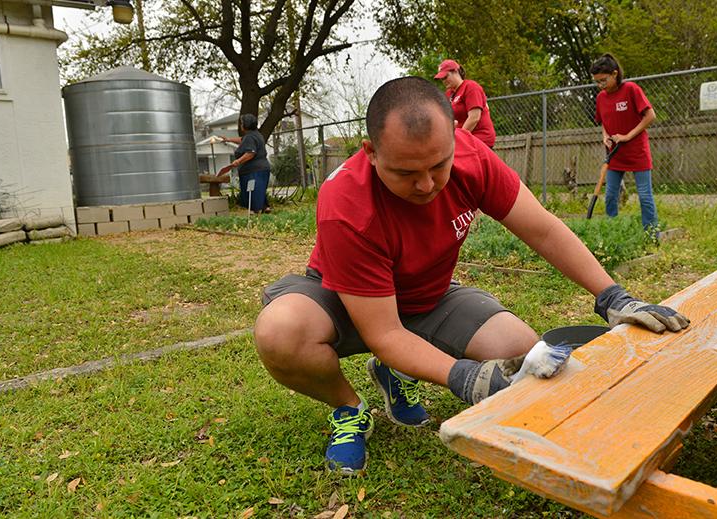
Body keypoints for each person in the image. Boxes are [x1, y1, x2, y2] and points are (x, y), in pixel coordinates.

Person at [254, 77, 689, 475]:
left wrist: (612, 296)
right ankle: (349, 408)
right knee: (282, 331)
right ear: (370, 153)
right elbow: (384, 332)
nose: (426, 185)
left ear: (455, 139)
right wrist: (463, 376)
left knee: (523, 354)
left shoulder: (471, 155)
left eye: (437, 166)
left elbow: (543, 228)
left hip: (430, 297)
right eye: (406, 173)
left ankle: (397, 374)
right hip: (348, 303)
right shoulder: (346, 201)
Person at [590, 54, 659, 234]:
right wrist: (605, 135)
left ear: (615, 74)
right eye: (597, 82)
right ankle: (613, 231)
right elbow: (604, 121)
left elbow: (650, 115)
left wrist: (628, 135)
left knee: (645, 196)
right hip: (615, 154)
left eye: (603, 80)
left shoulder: (631, 89)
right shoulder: (601, 98)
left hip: (637, 152)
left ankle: (652, 235)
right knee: (611, 196)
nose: (600, 85)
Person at [434, 59, 496, 148]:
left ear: (455, 71)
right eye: (442, 79)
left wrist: (458, 139)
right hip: (464, 139)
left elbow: (474, 117)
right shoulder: (448, 94)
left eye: (445, 77)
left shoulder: (471, 87)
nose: (444, 81)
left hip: (480, 138)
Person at [217, 114, 272, 213]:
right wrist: (228, 140)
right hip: (262, 168)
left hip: (254, 170)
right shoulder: (256, 134)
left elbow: (251, 153)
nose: (240, 125)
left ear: (246, 125)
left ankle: (255, 211)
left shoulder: (250, 137)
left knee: (253, 192)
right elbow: (241, 140)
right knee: (259, 190)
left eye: (241, 123)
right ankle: (264, 207)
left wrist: (238, 161)